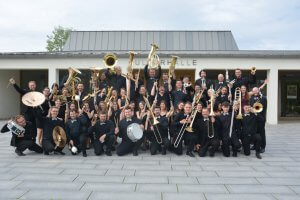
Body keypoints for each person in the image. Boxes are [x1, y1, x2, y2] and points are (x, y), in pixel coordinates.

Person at [250, 87, 267, 153]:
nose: (254, 92)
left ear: (258, 90)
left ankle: (263, 147)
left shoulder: (263, 98)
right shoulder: (251, 98)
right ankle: (255, 145)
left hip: (260, 118)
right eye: (253, 91)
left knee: (261, 132)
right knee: (254, 132)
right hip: (254, 118)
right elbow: (251, 105)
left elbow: (263, 107)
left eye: (256, 91)